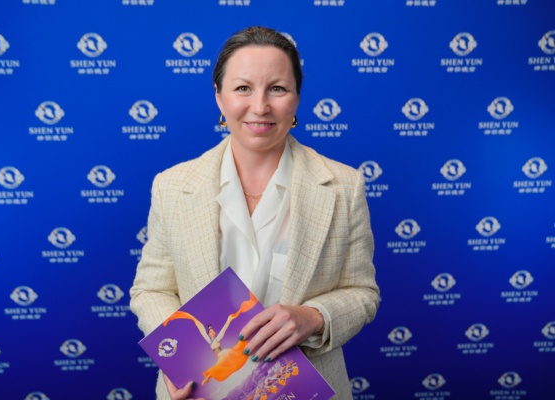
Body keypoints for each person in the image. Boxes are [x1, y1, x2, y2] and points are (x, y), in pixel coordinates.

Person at [130, 26, 379, 400]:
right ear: (219, 96)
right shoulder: (172, 186)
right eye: (243, 88)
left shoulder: (344, 186)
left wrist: (313, 317)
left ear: (296, 98)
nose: (260, 106)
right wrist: (179, 357)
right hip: (199, 388)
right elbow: (152, 289)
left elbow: (363, 292)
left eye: (277, 89)